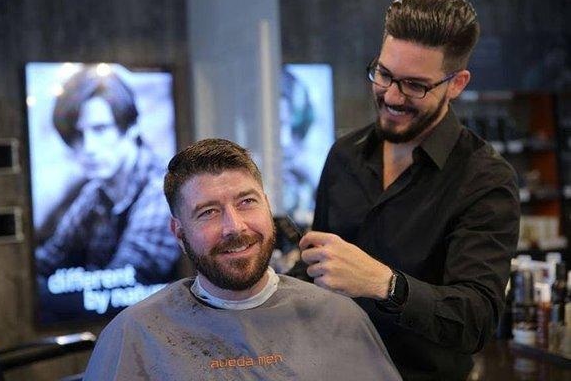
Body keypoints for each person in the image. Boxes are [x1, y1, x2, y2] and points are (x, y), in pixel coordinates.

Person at [289, 0, 520, 380]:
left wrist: (385, 284)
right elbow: (318, 268)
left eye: (415, 86)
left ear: (456, 83)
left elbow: (476, 320)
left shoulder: (485, 180)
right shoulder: (345, 155)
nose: (392, 96)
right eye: (384, 74)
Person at [83, 138, 402, 381]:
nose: (234, 227)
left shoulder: (338, 319)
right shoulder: (136, 335)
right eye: (208, 212)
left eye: (247, 202)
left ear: (267, 204)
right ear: (179, 234)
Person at [35, 65, 181, 285]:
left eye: (100, 129)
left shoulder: (161, 189)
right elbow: (46, 260)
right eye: (77, 135)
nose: (88, 147)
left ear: (132, 127)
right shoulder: (94, 193)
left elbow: (124, 281)